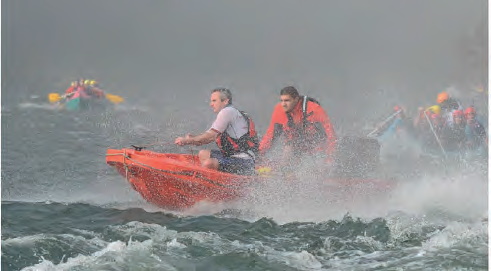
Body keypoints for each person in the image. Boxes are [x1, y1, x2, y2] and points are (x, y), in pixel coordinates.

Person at [175, 88, 258, 175]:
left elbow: (211, 135)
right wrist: (192, 139)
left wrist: (187, 140)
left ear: (225, 101)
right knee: (203, 153)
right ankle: (215, 179)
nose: (211, 104)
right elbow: (206, 138)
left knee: (209, 163)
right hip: (233, 157)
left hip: (244, 162)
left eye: (214, 101)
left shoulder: (227, 112)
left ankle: (211, 184)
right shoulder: (231, 113)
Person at [258, 86, 336, 167]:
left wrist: (329, 158)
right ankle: (286, 171)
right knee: (285, 161)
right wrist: (258, 155)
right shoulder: (278, 110)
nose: (283, 104)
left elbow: (330, 135)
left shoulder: (315, 109)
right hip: (294, 145)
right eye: (281, 100)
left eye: (287, 100)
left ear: (296, 99)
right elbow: (270, 136)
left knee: (319, 165)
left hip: (316, 146)